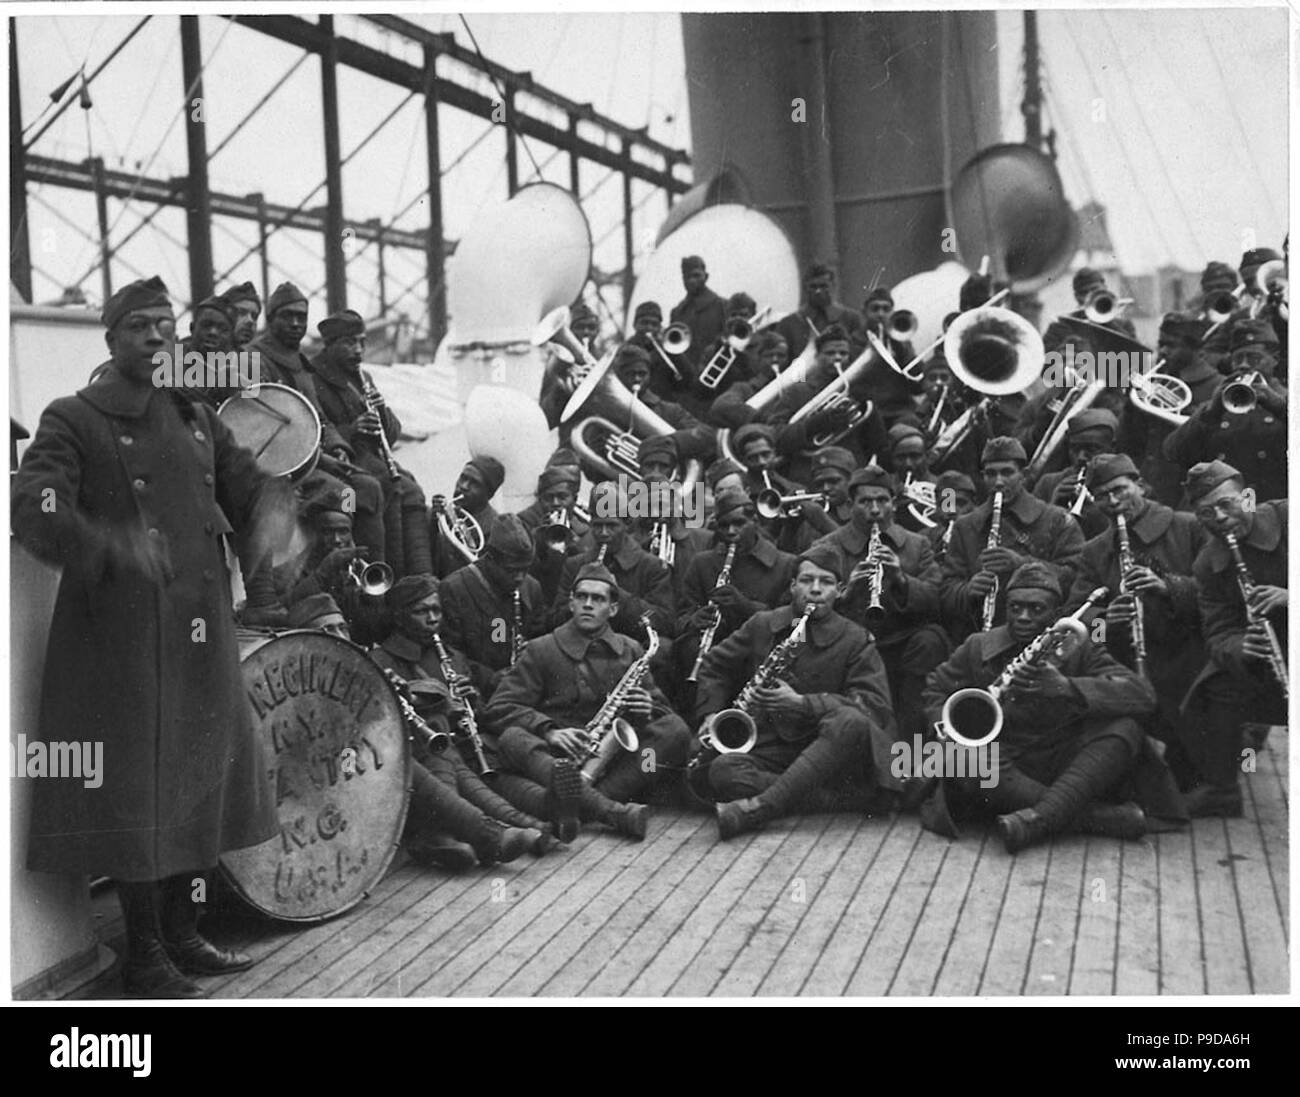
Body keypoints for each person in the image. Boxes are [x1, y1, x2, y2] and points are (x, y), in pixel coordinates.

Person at [11, 276, 296, 998]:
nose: (157, 336)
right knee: (137, 798)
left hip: (200, 631)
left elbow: (250, 482)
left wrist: (273, 513)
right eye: (139, 324)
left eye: (164, 324)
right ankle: (143, 953)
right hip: (121, 642)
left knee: (202, 782)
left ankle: (184, 931)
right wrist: (109, 544)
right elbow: (34, 503)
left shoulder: (195, 412)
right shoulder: (71, 416)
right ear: (109, 338)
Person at [921, 562, 1160, 853]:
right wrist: (949, 731)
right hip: (1001, 761)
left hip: (1061, 759)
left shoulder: (1080, 647)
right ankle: (1097, 818)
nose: (1023, 617)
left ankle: (1038, 819)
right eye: (1015, 607)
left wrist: (1067, 687)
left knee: (1125, 729)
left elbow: (1142, 694)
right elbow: (935, 689)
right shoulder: (977, 646)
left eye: (1036, 609)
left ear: (1056, 614)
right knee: (966, 759)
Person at [692, 546, 899, 838]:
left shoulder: (855, 638)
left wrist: (803, 704)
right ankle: (841, 800)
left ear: (840, 591)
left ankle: (762, 807)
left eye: (826, 582)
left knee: (850, 721)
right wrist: (710, 714)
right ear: (792, 586)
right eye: (806, 580)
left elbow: (873, 706)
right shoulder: (764, 624)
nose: (815, 590)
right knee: (723, 770)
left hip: (831, 750)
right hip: (773, 750)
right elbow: (714, 665)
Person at [484, 562, 692, 840]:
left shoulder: (630, 649)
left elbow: (661, 709)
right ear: (571, 603)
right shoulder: (541, 649)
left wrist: (647, 708)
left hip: (613, 762)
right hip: (556, 759)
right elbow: (499, 708)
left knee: (675, 730)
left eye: (598, 599)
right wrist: (550, 732)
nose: (588, 605)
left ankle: (576, 803)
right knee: (512, 738)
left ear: (613, 609)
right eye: (581, 597)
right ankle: (605, 809)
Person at [368, 576, 553, 860]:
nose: (432, 619)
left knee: (492, 779)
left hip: (464, 752)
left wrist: (472, 700)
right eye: (422, 612)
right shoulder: (381, 661)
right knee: (459, 769)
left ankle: (525, 827)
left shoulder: (451, 656)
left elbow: (480, 713)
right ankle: (502, 833)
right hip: (420, 760)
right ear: (399, 616)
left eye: (437, 610)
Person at [1063, 454, 1206, 789]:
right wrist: (1106, 620)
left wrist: (1169, 586)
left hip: (1189, 654)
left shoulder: (1187, 526)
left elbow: (1221, 593)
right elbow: (1074, 615)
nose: (1112, 502)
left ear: (1139, 485)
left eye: (1120, 490)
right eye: (1102, 496)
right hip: (1127, 658)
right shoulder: (1096, 550)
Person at [249, 282, 388, 563]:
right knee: (350, 494)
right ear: (271, 319)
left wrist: (337, 447)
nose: (296, 323)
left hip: (311, 461)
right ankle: (352, 571)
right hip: (283, 468)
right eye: (287, 316)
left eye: (301, 317)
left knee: (372, 486)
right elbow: (272, 427)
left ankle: (375, 576)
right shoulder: (257, 359)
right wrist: (323, 460)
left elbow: (318, 418)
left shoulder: (299, 362)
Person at [811, 465, 948, 743]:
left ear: (893, 504)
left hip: (903, 643)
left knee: (930, 640)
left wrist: (901, 578)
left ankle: (913, 743)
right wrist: (844, 594)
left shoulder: (917, 543)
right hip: (851, 643)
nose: (875, 510)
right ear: (850, 506)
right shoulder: (827, 546)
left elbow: (937, 599)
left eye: (882, 501)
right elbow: (800, 601)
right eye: (865, 502)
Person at [1180, 461, 1288, 817]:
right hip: (1274, 660)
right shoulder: (1207, 563)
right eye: (1207, 513)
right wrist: (1242, 647)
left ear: (1248, 497)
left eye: (1226, 505)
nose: (1220, 518)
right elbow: (1219, 631)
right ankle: (1222, 789)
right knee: (1216, 681)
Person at [310, 308, 433, 577]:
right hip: (340, 464)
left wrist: (382, 412)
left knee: (412, 490)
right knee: (384, 487)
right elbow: (314, 432)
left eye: (362, 342)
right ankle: (386, 575)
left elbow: (391, 434)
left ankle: (418, 578)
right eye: (350, 343)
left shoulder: (363, 377)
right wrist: (352, 430)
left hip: (371, 459)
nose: (359, 350)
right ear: (330, 345)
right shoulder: (313, 378)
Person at [939, 436, 1085, 643]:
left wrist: (1022, 564)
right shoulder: (966, 526)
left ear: (1023, 475)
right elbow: (946, 590)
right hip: (981, 636)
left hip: (1043, 636)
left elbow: (1077, 580)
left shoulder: (1058, 519)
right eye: (991, 474)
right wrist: (968, 589)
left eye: (1007, 472)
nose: (998, 482)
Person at [675, 488, 797, 685]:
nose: (731, 532)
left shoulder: (786, 564)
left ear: (755, 522)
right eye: (724, 526)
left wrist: (746, 607)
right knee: (688, 648)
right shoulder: (702, 563)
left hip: (762, 652)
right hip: (716, 652)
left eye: (739, 524)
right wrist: (695, 619)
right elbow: (679, 619)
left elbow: (795, 625)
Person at [1162, 319, 1288, 506]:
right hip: (1227, 508)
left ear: (1274, 359)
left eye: (1253, 358)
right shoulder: (1220, 402)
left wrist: (1280, 407)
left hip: (1275, 508)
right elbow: (1173, 453)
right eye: (1237, 359)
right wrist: (1210, 412)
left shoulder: (1288, 399)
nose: (1243, 366)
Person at [438, 515, 549, 700]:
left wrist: (533, 653)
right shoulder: (455, 589)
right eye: (511, 570)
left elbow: (539, 637)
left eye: (525, 569)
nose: (519, 578)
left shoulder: (531, 588)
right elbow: (450, 654)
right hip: (477, 693)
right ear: (490, 560)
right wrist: (490, 678)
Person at [1031, 408, 1118, 540]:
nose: (1081, 457)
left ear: (1113, 448)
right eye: (1075, 449)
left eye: (1092, 449)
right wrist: (1052, 509)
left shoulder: (1128, 488)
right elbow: (1029, 540)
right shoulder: (1048, 484)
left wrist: (1099, 517)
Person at [772, 262, 863, 362]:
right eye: (813, 286)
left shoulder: (852, 319)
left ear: (833, 286)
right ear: (805, 288)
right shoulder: (788, 324)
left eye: (824, 286)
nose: (818, 291)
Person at [430, 456, 504, 579]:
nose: (463, 486)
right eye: (463, 478)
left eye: (474, 483)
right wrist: (433, 520)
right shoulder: (443, 514)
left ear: (489, 494)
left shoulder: (496, 529)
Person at [669, 255, 727, 371]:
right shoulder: (677, 313)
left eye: (696, 275)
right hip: (686, 376)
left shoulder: (722, 305)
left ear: (706, 277)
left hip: (717, 371)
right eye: (687, 277)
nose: (691, 280)